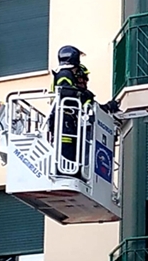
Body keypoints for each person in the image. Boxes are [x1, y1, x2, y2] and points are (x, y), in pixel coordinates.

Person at [47, 46, 119, 175]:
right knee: (66, 152)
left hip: (69, 123)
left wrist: (108, 107)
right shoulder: (64, 74)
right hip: (64, 122)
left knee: (73, 152)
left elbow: (93, 108)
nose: (85, 82)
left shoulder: (82, 92)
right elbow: (66, 92)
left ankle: (73, 173)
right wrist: (82, 94)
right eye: (83, 78)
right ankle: (66, 173)